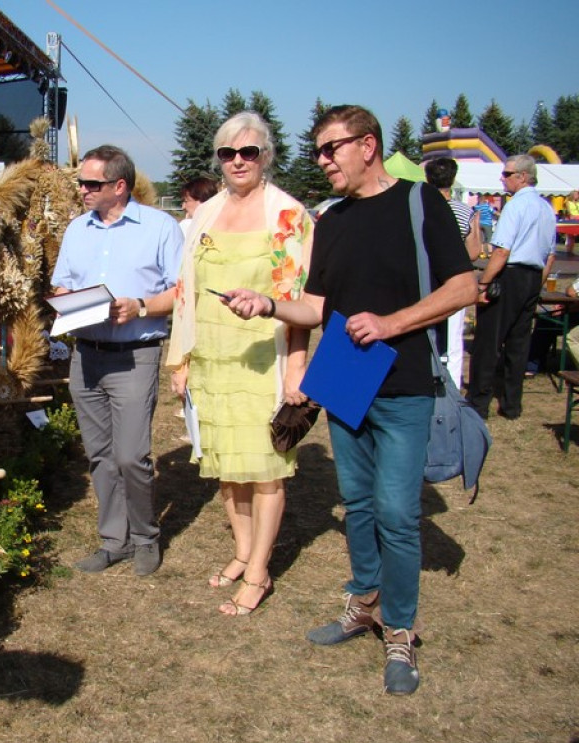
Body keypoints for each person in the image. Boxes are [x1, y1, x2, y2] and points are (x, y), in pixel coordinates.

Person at [223, 105, 476, 695]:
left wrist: (391, 324)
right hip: (343, 379)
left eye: (330, 148)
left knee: (395, 512)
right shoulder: (331, 221)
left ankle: (400, 631)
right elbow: (315, 306)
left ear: (368, 145)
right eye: (317, 151)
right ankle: (362, 602)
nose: (322, 160)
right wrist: (268, 304)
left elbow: (464, 286)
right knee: (357, 504)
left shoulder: (420, 203)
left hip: (405, 381)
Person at [166, 112, 312, 617]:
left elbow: (300, 304)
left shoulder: (288, 215)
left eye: (248, 152)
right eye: (228, 153)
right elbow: (186, 292)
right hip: (212, 359)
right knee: (229, 468)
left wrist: (296, 369)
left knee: (266, 470)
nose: (238, 161)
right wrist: (181, 358)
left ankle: (258, 571)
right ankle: (242, 551)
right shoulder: (204, 214)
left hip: (262, 362)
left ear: (266, 156)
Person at [51, 145, 183, 577]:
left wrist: (141, 306)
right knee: (99, 454)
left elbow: (182, 292)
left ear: (119, 186)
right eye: (81, 183)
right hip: (86, 356)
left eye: (91, 183)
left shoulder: (161, 227)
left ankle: (146, 537)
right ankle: (114, 540)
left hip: (134, 355)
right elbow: (62, 288)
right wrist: (71, 303)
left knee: (131, 456)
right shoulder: (77, 230)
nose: (83, 190)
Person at [468, 154, 557, 420]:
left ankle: (478, 402)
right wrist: (536, 283)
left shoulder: (515, 207)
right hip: (532, 276)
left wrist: (483, 283)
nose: (502, 179)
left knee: (488, 341)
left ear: (522, 177)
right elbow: (550, 255)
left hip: (510, 274)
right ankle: (511, 404)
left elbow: (502, 250)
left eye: (506, 174)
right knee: (519, 343)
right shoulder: (546, 209)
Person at [424, 157, 482, 387]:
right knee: (454, 340)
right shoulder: (462, 211)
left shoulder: (420, 210)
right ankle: (452, 388)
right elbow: (474, 252)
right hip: (453, 280)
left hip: (425, 280)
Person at [563, 190, 579, 256]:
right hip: (572, 218)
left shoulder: (578, 203)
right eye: (576, 194)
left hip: (578, 218)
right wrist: (570, 216)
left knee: (575, 236)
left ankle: (571, 250)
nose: (577, 196)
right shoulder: (568, 202)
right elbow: (568, 211)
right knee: (571, 236)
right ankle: (569, 250)